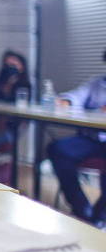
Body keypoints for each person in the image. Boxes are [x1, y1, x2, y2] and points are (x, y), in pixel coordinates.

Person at [47, 49, 106, 223]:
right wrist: (66, 101)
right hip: (92, 140)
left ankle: (100, 215)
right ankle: (81, 207)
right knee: (58, 149)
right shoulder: (96, 83)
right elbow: (76, 96)